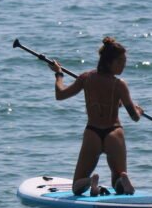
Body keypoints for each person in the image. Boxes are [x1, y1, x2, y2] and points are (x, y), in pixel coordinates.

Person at [48, 36, 143, 196]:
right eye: (120, 62)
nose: (123, 66)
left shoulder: (86, 78)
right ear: (109, 62)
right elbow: (134, 116)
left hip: (93, 133)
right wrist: (139, 110)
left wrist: (59, 74)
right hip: (114, 133)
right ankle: (123, 179)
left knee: (77, 187)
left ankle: (90, 182)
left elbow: (60, 94)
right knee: (116, 181)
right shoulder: (119, 85)